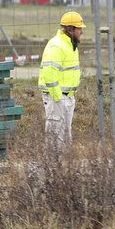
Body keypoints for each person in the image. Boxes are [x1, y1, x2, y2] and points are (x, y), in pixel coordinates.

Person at [38, 11, 83, 146]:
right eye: (79, 28)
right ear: (70, 29)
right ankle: (53, 165)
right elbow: (49, 73)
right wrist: (58, 98)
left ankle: (63, 165)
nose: (81, 32)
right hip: (57, 97)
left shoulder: (71, 45)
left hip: (67, 97)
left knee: (65, 136)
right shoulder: (57, 45)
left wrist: (68, 97)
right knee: (55, 137)